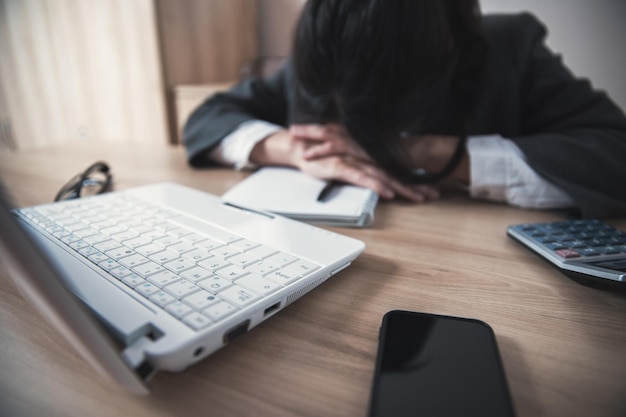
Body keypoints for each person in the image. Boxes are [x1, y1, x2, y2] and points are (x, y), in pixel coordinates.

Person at [183, 0, 626, 219]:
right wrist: (287, 148)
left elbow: (615, 154)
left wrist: (428, 153)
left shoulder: (510, 49)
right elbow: (208, 117)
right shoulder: (322, 57)